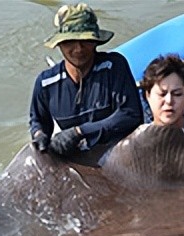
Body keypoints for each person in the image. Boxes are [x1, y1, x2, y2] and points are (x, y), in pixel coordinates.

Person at [29, 4, 143, 158]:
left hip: (116, 156)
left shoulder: (114, 66)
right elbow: (38, 121)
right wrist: (39, 135)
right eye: (70, 41)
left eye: (86, 40)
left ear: (96, 41)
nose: (78, 49)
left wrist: (79, 132)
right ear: (59, 44)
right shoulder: (45, 83)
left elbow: (130, 115)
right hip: (75, 157)